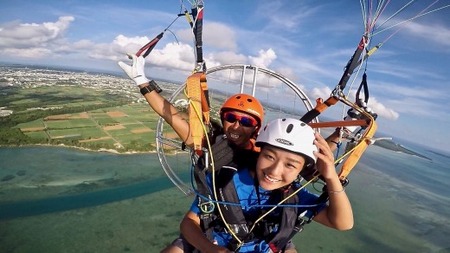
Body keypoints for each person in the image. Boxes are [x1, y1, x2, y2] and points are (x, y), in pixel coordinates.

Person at [178, 118, 353, 253]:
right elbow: (189, 222)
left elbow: (342, 223)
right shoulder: (225, 179)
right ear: (259, 153)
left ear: (302, 169)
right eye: (269, 157)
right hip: (214, 241)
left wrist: (331, 177)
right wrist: (210, 249)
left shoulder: (294, 197)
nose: (274, 171)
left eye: (290, 165)